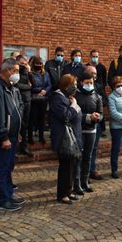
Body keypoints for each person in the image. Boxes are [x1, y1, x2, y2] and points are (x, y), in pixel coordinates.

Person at [0, 58, 25, 211]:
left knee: (8, 167)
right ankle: (2, 200)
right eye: (15, 70)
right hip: (4, 138)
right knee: (1, 168)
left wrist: (18, 132)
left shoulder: (12, 88)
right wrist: (4, 137)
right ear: (7, 71)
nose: (17, 74)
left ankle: (8, 195)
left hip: (13, 135)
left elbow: (17, 110)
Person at [49, 74, 82, 204]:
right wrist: (74, 106)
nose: (75, 87)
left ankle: (69, 191)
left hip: (72, 137)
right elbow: (66, 116)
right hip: (63, 138)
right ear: (66, 86)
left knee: (71, 167)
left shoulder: (67, 97)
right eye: (73, 84)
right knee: (65, 168)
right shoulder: (58, 98)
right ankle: (62, 194)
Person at [74, 67, 103, 194]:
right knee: (78, 157)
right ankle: (76, 183)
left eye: (91, 82)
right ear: (81, 83)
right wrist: (87, 117)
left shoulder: (97, 96)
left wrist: (97, 117)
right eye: (87, 82)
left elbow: (101, 114)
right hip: (79, 131)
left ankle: (85, 181)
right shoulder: (75, 95)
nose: (89, 84)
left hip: (91, 131)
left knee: (88, 157)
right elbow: (75, 114)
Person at [29, 56, 51, 144]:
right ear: (33, 64)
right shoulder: (30, 74)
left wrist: (45, 91)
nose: (39, 65)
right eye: (37, 64)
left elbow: (49, 84)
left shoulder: (45, 74)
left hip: (43, 99)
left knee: (42, 119)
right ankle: (30, 138)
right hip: (34, 99)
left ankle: (41, 137)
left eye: (40, 64)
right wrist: (39, 90)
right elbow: (30, 86)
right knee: (32, 119)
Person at [86, 49, 108, 137]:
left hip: (99, 92)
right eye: (93, 56)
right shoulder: (86, 67)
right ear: (90, 57)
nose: (95, 58)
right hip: (89, 90)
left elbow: (104, 81)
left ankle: (101, 130)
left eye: (96, 57)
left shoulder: (102, 67)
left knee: (100, 110)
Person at [15, 55, 33, 156]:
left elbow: (34, 84)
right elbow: (16, 85)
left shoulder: (27, 73)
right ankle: (15, 147)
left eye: (25, 64)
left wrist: (29, 72)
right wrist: (28, 86)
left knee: (25, 125)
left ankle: (24, 147)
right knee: (16, 125)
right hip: (17, 101)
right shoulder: (15, 72)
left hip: (27, 101)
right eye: (22, 64)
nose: (23, 66)